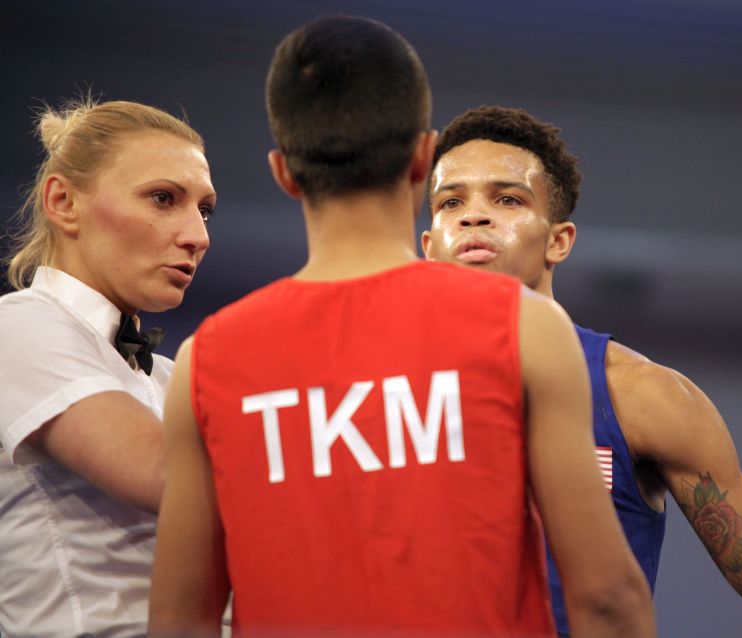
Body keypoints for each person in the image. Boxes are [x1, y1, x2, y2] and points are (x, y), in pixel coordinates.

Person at [148, 16, 656, 638]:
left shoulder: (205, 364)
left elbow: (179, 621)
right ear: (422, 157)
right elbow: (606, 599)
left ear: (284, 172)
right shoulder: (524, 328)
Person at [422, 105, 742, 637]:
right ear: (428, 247)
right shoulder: (376, 392)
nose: (473, 216)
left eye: (507, 199)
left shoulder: (639, 395)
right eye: (451, 201)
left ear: (558, 241)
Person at [0, 97, 215, 636]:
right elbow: (169, 478)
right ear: (64, 202)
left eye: (204, 210)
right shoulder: (15, 327)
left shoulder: (167, 375)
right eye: (163, 198)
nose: (198, 236)